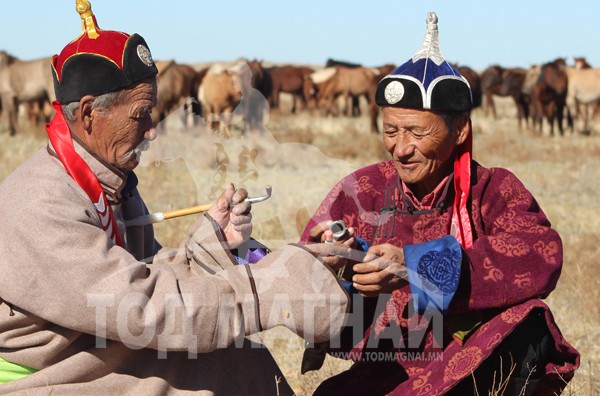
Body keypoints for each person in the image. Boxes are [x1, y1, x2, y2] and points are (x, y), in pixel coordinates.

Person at [0, 1, 350, 394]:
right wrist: (272, 286)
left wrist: (209, 245)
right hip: (53, 374)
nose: (152, 131)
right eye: (141, 115)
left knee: (237, 358)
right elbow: (145, 308)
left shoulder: (107, 180)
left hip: (96, 347)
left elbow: (142, 270)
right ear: (87, 114)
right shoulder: (42, 206)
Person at [300, 12, 580, 395]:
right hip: (390, 368)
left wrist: (415, 266)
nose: (401, 147)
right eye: (391, 131)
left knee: (531, 325)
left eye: (417, 131)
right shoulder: (362, 189)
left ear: (460, 129)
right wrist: (329, 265)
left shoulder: (493, 188)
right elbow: (305, 259)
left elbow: (542, 254)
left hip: (471, 363)